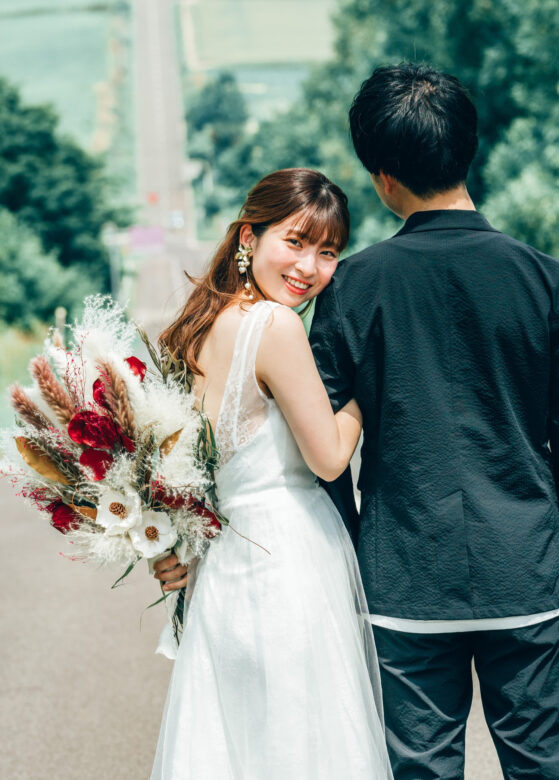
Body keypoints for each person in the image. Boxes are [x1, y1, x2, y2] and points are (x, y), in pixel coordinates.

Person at [308, 63, 559, 779]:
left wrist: (351, 555)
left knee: (421, 771)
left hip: (401, 579)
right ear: (470, 150)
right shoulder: (543, 276)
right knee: (541, 769)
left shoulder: (351, 285)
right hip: (526, 570)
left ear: (381, 175)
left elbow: (316, 443)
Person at [150, 168, 392, 779]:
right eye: (297, 240)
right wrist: (368, 389)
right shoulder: (275, 327)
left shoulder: (196, 328)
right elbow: (330, 458)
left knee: (236, 745)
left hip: (225, 573)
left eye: (328, 251)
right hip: (286, 565)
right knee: (302, 747)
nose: (309, 266)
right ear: (249, 237)